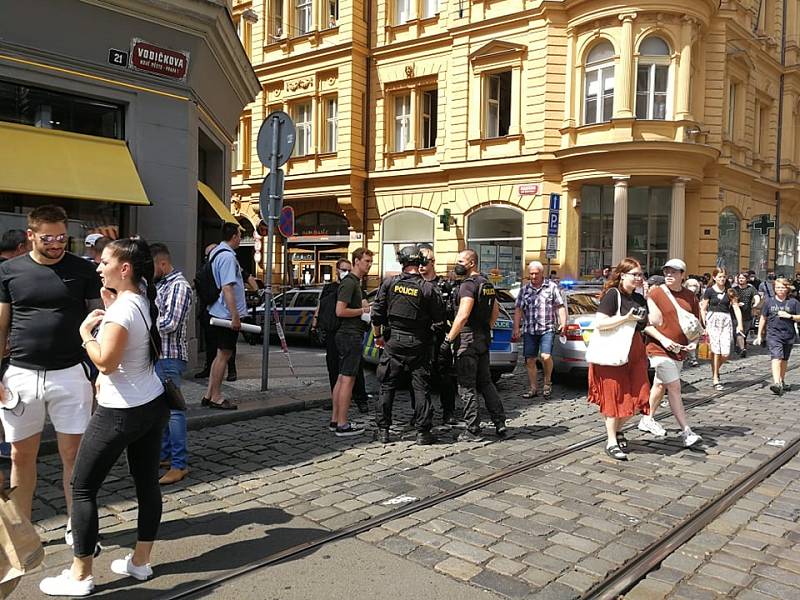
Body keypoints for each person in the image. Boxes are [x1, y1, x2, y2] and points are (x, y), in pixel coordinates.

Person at [39, 238, 169, 596]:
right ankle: (140, 563)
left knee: (81, 488)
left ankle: (80, 576)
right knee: (146, 485)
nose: (98, 265)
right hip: (152, 404)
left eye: (105, 260)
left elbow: (106, 362)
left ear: (124, 268)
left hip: (120, 411)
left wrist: (85, 333)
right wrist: (112, 306)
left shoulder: (123, 309)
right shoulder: (139, 300)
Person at [0, 206, 100, 538]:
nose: (57, 244)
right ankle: (22, 530)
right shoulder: (9, 270)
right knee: (19, 455)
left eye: (62, 237)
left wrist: (100, 371)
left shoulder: (83, 269)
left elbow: (98, 319)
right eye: (49, 238)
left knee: (73, 454)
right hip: (21, 375)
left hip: (70, 373)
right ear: (31, 235)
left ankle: (78, 525)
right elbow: (1, 323)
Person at [371, 246, 444, 445]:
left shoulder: (389, 284)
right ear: (419, 263)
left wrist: (378, 336)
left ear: (402, 262)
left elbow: (376, 314)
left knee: (387, 386)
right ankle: (423, 433)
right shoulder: (428, 288)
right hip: (419, 345)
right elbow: (439, 322)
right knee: (421, 388)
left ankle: (383, 431)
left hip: (393, 342)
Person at [587, 258, 651, 461]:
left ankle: (618, 430)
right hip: (612, 355)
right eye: (635, 274)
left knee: (640, 397)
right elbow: (600, 323)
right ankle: (611, 441)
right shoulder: (613, 295)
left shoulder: (640, 299)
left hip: (635, 354)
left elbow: (646, 326)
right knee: (613, 398)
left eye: (641, 275)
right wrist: (626, 318)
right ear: (623, 275)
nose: (639, 278)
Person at [443, 249, 507, 442]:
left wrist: (448, 340)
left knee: (467, 386)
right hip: (483, 338)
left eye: (461, 261)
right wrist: (486, 328)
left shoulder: (468, 286)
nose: (458, 264)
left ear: (472, 263)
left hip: (467, 340)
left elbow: (462, 315)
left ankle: (472, 430)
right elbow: (495, 310)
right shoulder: (486, 283)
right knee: (486, 382)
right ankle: (499, 422)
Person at [639, 259, 703, 447]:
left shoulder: (690, 296)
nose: (669, 275)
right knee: (674, 387)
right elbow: (647, 325)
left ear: (683, 275)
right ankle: (686, 431)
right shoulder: (656, 292)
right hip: (658, 349)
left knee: (660, 386)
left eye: (674, 272)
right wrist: (664, 340)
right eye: (667, 271)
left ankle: (647, 418)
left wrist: (693, 342)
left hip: (679, 350)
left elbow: (695, 325)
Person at [151, 243, 193, 485]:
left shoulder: (179, 286)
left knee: (175, 411)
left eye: (152, 265)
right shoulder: (162, 284)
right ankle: (166, 456)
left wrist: (143, 321)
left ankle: (179, 464)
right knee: (163, 411)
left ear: (163, 264)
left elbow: (170, 324)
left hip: (170, 355)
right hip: (160, 355)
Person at [311, 259, 370, 415]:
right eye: (343, 269)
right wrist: (315, 322)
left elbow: (363, 304)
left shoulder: (352, 285)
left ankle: (360, 399)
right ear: (337, 270)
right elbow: (321, 305)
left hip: (346, 331)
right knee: (334, 368)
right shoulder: (330, 288)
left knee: (353, 370)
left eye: (348, 269)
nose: (346, 272)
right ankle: (336, 402)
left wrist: (365, 311)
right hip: (332, 331)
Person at [202, 223, 245, 410]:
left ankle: (209, 394)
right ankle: (217, 397)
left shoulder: (216, 252)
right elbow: (228, 288)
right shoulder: (227, 257)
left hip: (215, 311)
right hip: (226, 315)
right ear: (234, 236)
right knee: (224, 355)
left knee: (219, 355)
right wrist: (235, 316)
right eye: (240, 236)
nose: (241, 239)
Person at [331, 247, 373, 436]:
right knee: (348, 379)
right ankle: (342, 423)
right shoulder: (350, 283)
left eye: (370, 261)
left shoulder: (356, 283)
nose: (369, 265)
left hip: (349, 334)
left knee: (342, 377)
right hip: (350, 335)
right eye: (366, 261)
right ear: (356, 261)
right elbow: (340, 311)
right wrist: (362, 311)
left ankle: (335, 420)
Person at [512, 261, 567, 400]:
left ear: (542, 273)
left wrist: (563, 323)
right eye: (531, 274)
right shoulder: (524, 290)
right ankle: (533, 388)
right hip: (530, 329)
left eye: (536, 273)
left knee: (545, 356)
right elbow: (518, 309)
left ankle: (547, 382)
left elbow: (560, 306)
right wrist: (516, 328)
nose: (534, 276)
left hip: (547, 328)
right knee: (530, 360)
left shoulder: (552, 287)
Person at [419, 247, 459, 426]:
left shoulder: (444, 285)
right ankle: (421, 413)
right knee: (419, 378)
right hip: (419, 338)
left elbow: (454, 313)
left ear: (433, 262)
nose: (420, 266)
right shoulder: (414, 284)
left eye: (424, 262)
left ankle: (448, 412)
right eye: (418, 262)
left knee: (445, 377)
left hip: (439, 337)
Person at [194, 243, 237, 382]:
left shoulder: (224, 261)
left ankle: (230, 371)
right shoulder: (210, 266)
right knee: (219, 349)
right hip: (211, 311)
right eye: (206, 255)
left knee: (224, 350)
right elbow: (227, 288)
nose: (208, 257)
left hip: (220, 312)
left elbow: (238, 280)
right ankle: (212, 392)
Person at [700, 267, 744, 390]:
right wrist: (704, 325)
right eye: (720, 277)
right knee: (715, 350)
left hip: (725, 321)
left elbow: (736, 308)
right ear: (714, 278)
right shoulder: (709, 291)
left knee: (725, 353)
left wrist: (740, 324)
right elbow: (703, 309)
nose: (722, 279)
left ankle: (715, 370)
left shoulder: (730, 291)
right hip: (712, 320)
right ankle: (715, 378)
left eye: (724, 277)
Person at [756, 277, 800, 395]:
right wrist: (759, 335)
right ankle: (776, 383)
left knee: (784, 359)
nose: (780, 290)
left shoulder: (793, 302)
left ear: (787, 289)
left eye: (782, 287)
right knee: (777, 357)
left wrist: (789, 316)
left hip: (788, 334)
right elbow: (763, 318)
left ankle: (781, 380)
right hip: (773, 334)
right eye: (777, 287)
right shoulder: (769, 301)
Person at [732, 272, 759, 358]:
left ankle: (740, 347)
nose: (741, 279)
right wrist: (736, 304)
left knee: (745, 333)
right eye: (739, 278)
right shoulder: (734, 289)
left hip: (747, 315)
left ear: (746, 279)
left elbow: (757, 296)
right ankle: (742, 348)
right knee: (737, 332)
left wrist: (756, 304)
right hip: (735, 315)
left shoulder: (751, 289)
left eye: (743, 278)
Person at [684, 278, 702, 367]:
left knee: (692, 339)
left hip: (693, 322)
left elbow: (697, 312)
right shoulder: (684, 296)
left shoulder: (696, 298)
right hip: (684, 321)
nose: (693, 288)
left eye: (695, 286)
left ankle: (692, 358)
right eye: (690, 286)